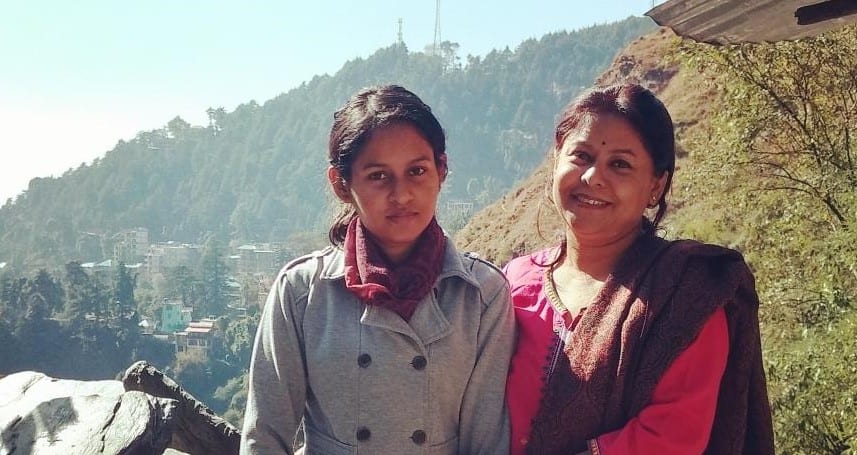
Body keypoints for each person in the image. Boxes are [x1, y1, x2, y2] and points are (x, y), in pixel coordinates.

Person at [240, 84, 515, 455]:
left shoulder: (482, 294)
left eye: (417, 170)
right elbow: (265, 437)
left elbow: (487, 442)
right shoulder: (303, 292)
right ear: (341, 184)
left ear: (442, 170)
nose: (401, 194)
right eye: (378, 176)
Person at [503, 83, 775, 455]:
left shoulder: (684, 295)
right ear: (555, 161)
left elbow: (670, 438)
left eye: (620, 164)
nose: (592, 177)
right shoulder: (512, 282)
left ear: (655, 186)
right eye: (580, 156)